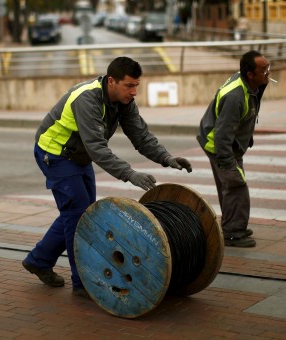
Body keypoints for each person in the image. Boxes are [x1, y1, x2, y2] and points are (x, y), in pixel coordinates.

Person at [22, 56, 193, 298]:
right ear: (112, 81)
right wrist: (129, 174)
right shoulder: (87, 99)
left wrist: (166, 158)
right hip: (55, 154)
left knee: (82, 213)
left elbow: (141, 136)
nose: (134, 92)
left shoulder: (124, 102)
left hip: (78, 156)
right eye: (129, 86)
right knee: (79, 215)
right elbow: (97, 148)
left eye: (136, 86)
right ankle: (82, 283)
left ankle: (39, 260)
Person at [197, 50, 269, 248]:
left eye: (268, 67)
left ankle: (232, 226)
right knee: (236, 185)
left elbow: (247, 114)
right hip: (219, 144)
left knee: (229, 186)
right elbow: (222, 135)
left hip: (229, 143)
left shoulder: (249, 85)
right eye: (263, 70)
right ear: (250, 75)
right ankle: (233, 233)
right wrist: (228, 164)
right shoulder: (236, 96)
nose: (268, 72)